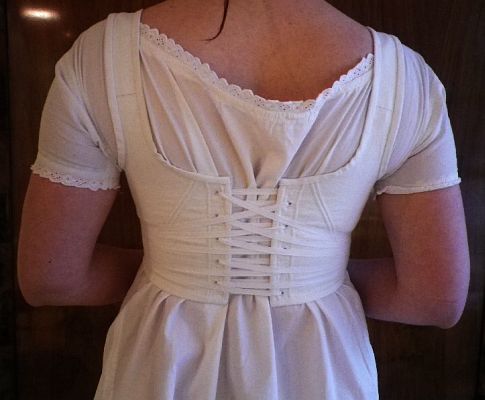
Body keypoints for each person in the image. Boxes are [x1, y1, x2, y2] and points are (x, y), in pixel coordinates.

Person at [17, 0, 470, 399]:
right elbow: (433, 297)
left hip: (162, 367)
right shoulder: (407, 82)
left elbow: (51, 278)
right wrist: (313, 268)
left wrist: (176, 263)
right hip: (322, 370)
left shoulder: (101, 59)